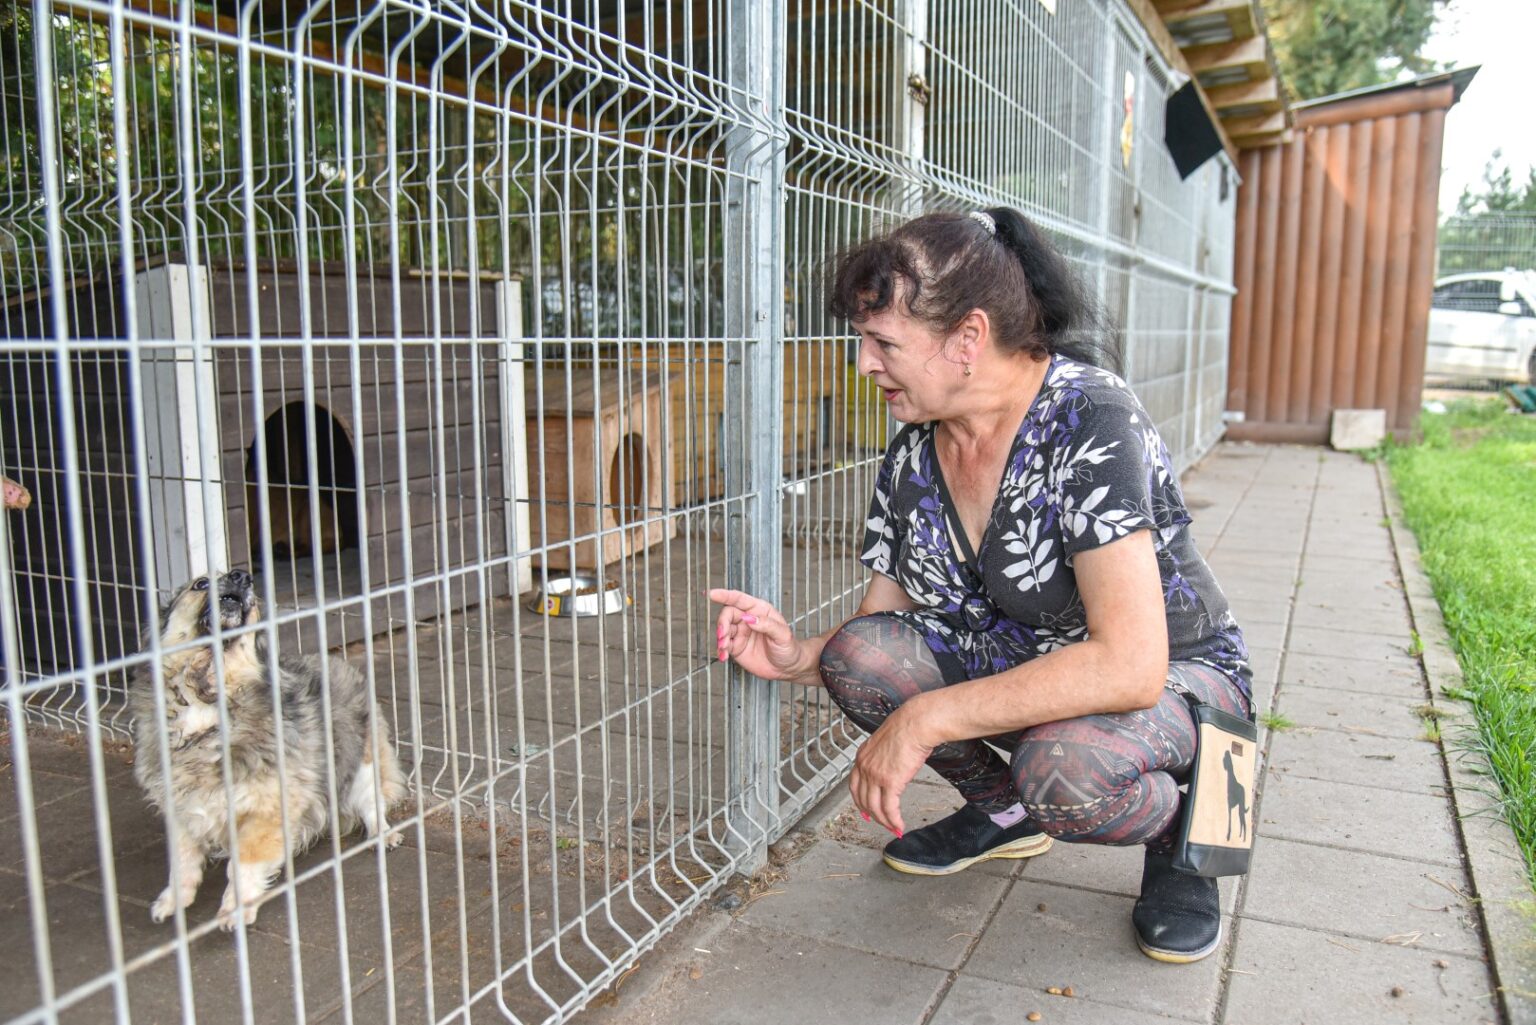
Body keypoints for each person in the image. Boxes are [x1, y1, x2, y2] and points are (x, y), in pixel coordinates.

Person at [709, 207, 1252, 964]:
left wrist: (928, 718)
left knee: (1064, 768)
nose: (863, 363)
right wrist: (796, 654)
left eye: (883, 342)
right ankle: (1006, 816)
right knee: (862, 658)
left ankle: (1185, 830)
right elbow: (883, 628)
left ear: (967, 339)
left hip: (1175, 679)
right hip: (1034, 660)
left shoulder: (1091, 417)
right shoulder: (913, 453)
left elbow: (1130, 664)